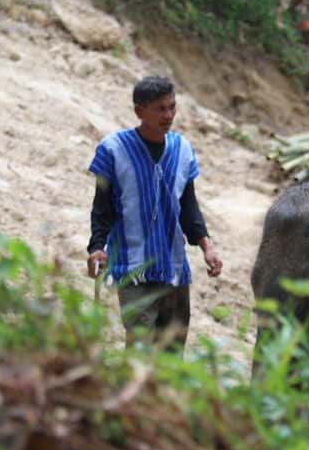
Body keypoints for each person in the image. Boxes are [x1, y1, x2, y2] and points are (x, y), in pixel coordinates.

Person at [85, 75, 223, 353]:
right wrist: (97, 247)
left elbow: (188, 206)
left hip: (173, 267)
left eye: (172, 107)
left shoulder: (182, 149)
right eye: (160, 109)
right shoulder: (113, 149)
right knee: (140, 350)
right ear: (139, 111)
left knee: (172, 352)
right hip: (132, 266)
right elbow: (102, 206)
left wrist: (207, 247)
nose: (168, 115)